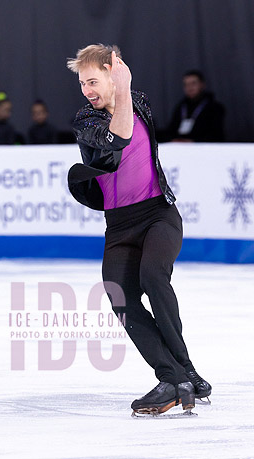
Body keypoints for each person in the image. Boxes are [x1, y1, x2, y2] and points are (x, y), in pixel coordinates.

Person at [66, 45, 211, 416]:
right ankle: (176, 378)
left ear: (111, 75)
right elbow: (118, 140)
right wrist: (123, 89)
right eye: (82, 83)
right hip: (119, 227)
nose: (87, 90)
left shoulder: (139, 101)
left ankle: (181, 371)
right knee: (120, 296)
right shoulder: (86, 119)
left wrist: (125, 89)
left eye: (93, 80)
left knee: (153, 277)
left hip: (159, 214)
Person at [165, 70, 225, 142]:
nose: (190, 88)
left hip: (203, 148)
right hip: (180, 147)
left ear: (202, 85)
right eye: (186, 85)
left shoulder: (214, 108)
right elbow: (171, 130)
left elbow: (216, 135)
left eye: (193, 83)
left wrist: (193, 141)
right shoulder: (180, 107)